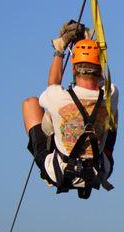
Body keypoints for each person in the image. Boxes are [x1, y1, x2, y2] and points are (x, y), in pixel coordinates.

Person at [21, 21, 118, 199]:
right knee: (112, 115)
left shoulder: (57, 97)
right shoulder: (111, 92)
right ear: (99, 68)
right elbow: (102, 80)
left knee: (30, 104)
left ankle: (50, 153)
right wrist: (89, 42)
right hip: (100, 171)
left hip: (58, 171)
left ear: (73, 68)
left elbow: (52, 84)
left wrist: (60, 50)